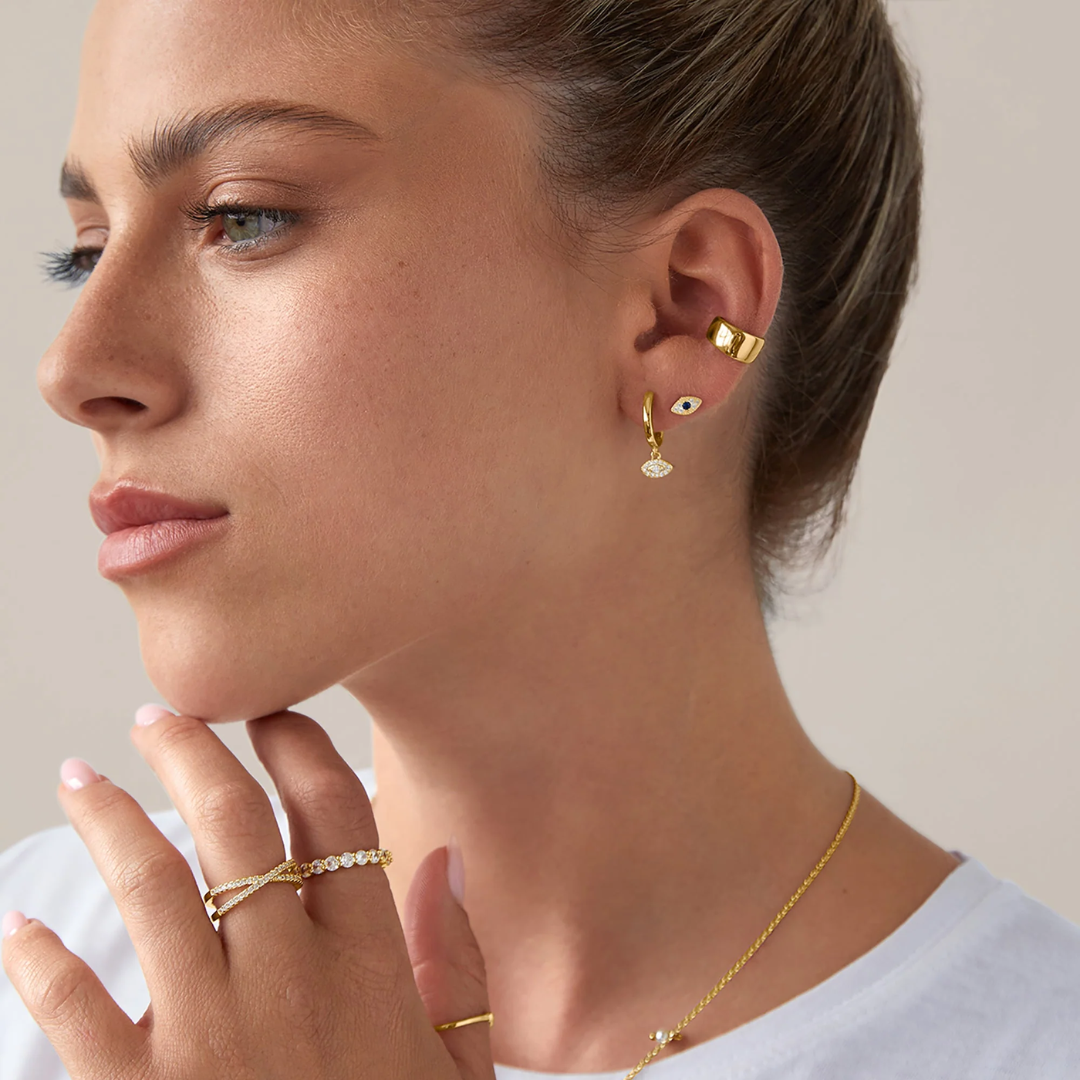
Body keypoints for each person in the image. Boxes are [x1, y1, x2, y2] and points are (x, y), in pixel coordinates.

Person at [2, 0, 1078, 1077]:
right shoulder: (39, 970)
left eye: (243, 216)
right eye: (84, 253)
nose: (72, 367)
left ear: (684, 310)